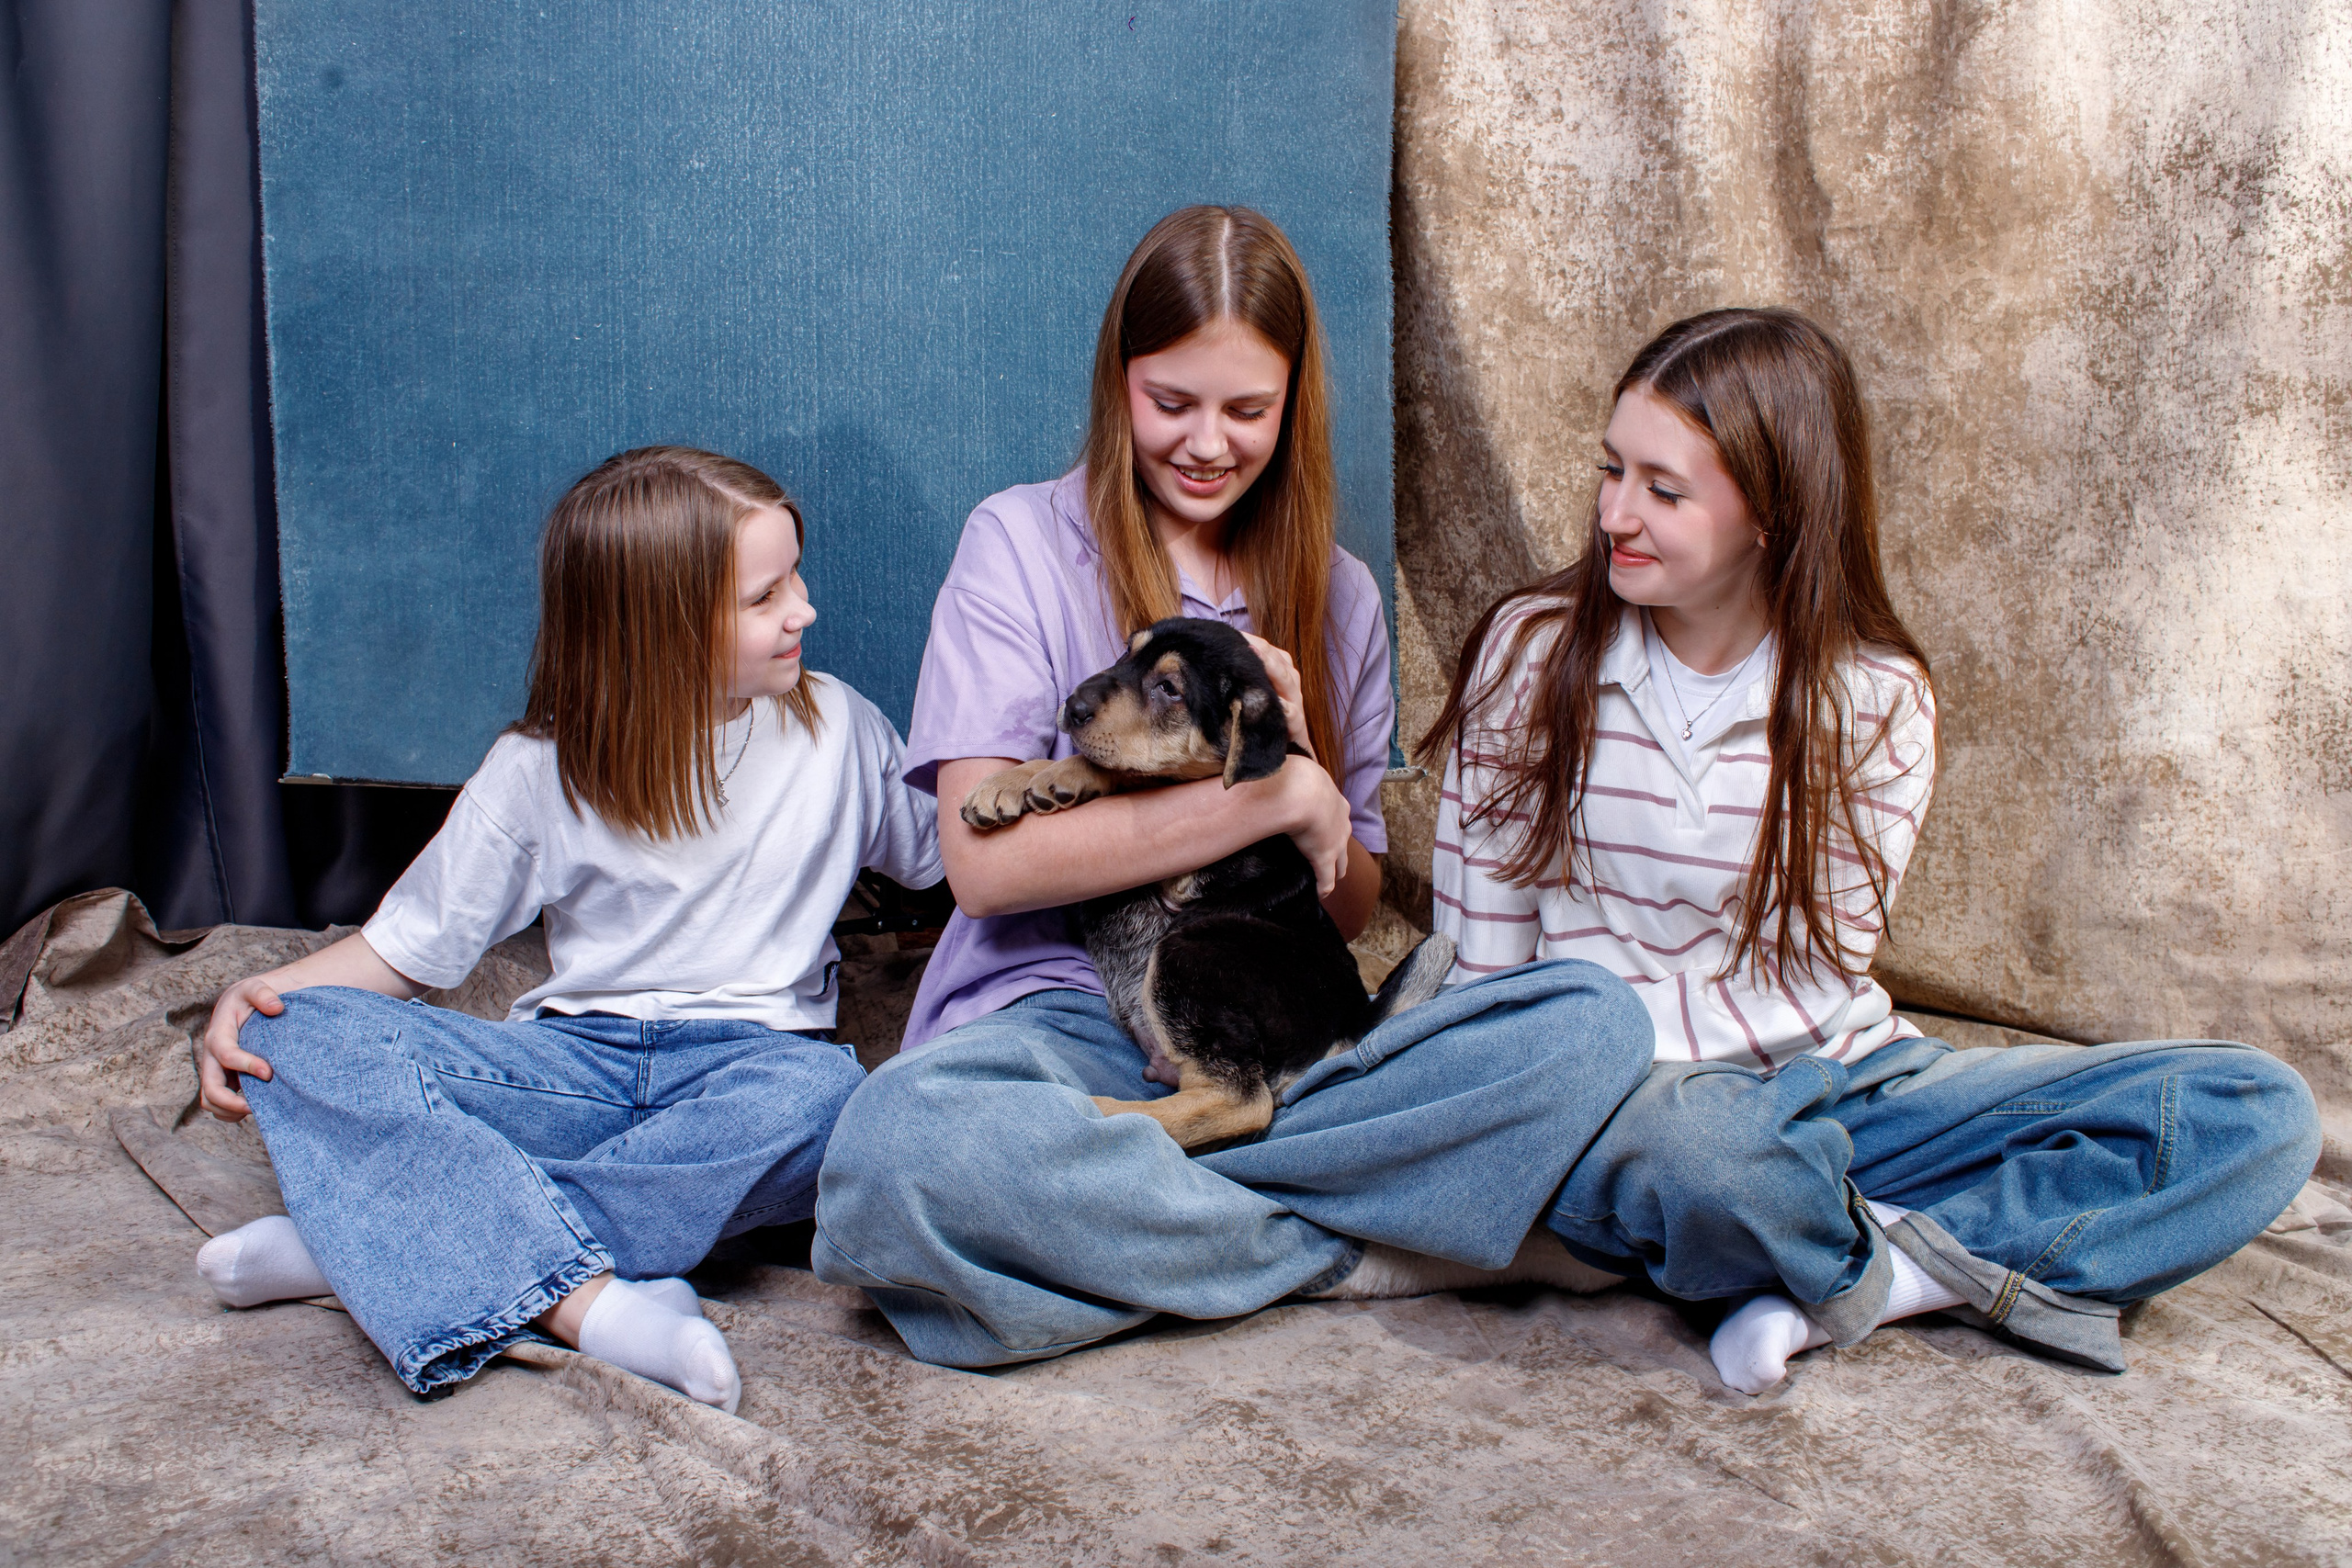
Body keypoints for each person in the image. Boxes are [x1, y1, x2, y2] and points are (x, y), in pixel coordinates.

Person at [809, 205, 1658, 1368]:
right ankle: (1357, 1235)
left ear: (1293, 406)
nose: (1207, 444)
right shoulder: (1015, 541)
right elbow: (985, 863)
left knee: (1590, 1024)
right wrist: (1269, 797)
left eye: (1247, 411)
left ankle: (1155, 1222)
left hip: (1271, 1032)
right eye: (1172, 404)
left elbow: (1343, 911)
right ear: (1120, 386)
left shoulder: (1341, 595)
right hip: (1053, 1023)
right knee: (894, 1155)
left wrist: (1308, 783)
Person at [1424, 308, 2322, 1393]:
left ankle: (1882, 1274)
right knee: (1704, 1160)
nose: (1615, 513)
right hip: (1609, 1108)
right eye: (1612, 470)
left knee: (2257, 1116)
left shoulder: (1875, 697)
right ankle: (1889, 1239)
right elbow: (1481, 967)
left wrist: (1781, 1140)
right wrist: (1557, 1097)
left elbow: (1811, 975)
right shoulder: (1530, 652)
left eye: (1663, 490)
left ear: (1773, 512)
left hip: (1840, 1087)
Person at [192, 446, 942, 1411]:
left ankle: (373, 1241)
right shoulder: (537, 768)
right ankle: (591, 1305)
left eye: (795, 575)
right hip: (570, 1068)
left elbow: (953, 860)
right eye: (764, 597)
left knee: (833, 1105)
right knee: (288, 1027)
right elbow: (398, 954)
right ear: (658, 629)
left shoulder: (835, 726)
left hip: (754, 1068)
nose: (802, 609)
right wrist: (248, 1008)